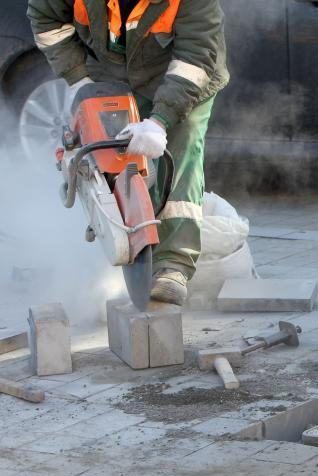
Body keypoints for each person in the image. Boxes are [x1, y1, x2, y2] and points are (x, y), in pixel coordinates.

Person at [28, 0, 229, 305]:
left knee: (181, 152)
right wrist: (79, 79)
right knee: (104, 161)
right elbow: (46, 21)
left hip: (181, 77)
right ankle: (112, 244)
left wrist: (159, 122)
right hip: (106, 74)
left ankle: (173, 265)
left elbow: (196, 58)